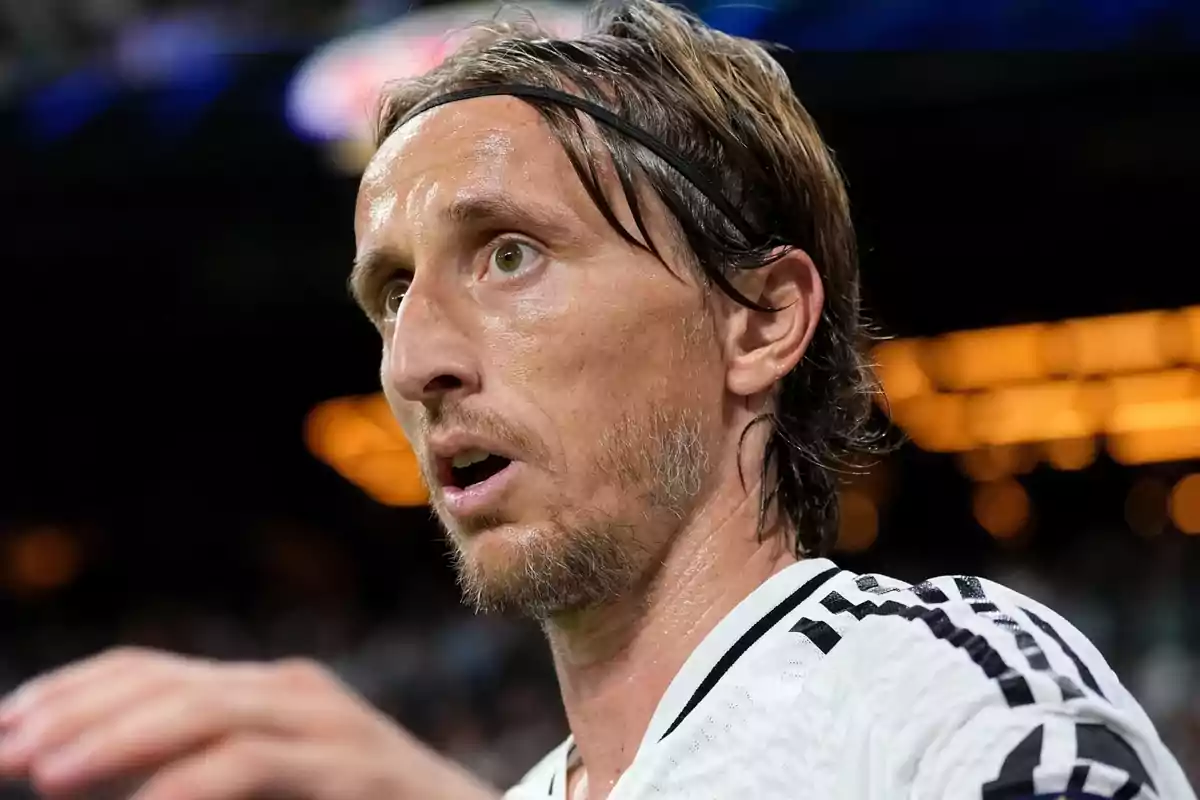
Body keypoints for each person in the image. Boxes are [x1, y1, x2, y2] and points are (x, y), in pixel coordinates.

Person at [0, 1, 1193, 798]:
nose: (418, 362)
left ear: (762, 318)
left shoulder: (945, 689)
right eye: (391, 295)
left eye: (510, 252)